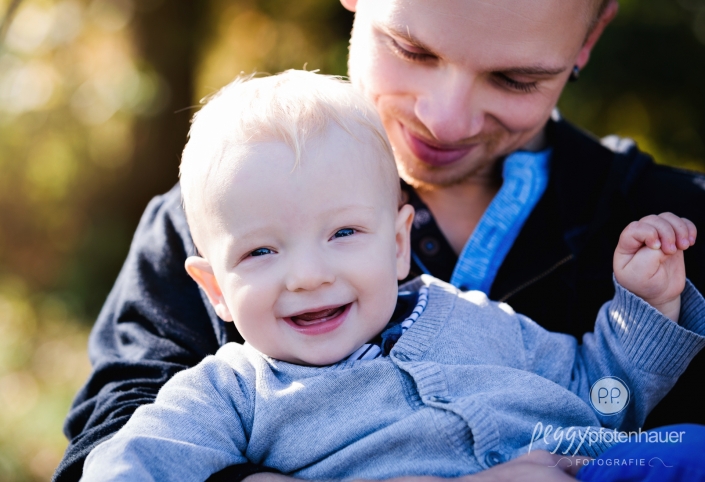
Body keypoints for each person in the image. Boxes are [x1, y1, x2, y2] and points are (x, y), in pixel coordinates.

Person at [54, 0, 705, 481]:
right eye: (411, 49)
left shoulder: (671, 227)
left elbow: (600, 390)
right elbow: (115, 453)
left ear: (590, 36)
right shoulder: (216, 209)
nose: (441, 119)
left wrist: (643, 317)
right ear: (215, 284)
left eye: (514, 79)